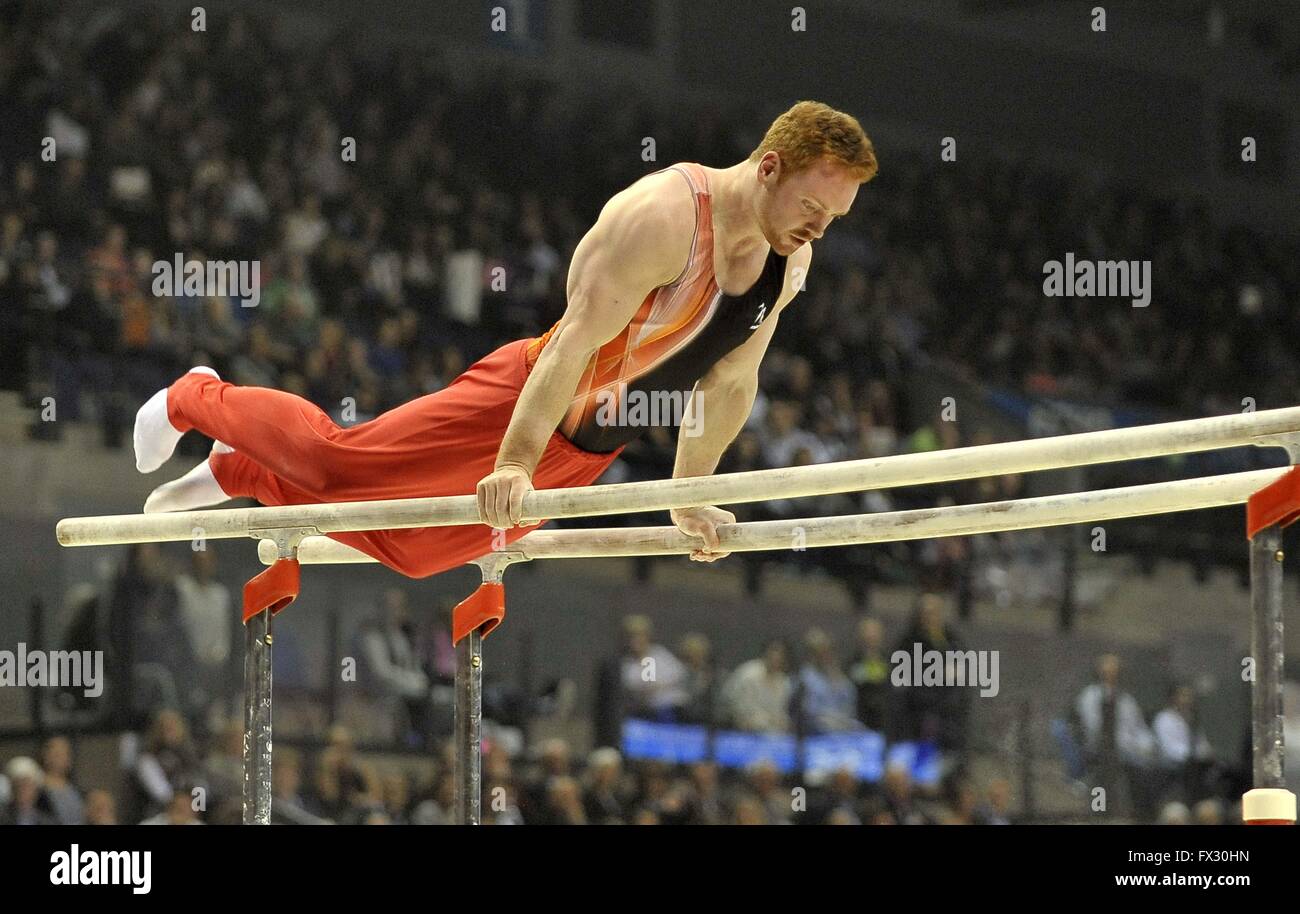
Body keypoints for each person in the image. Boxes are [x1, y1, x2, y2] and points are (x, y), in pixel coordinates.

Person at [131, 102, 877, 577]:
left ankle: (239, 474)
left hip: (590, 449)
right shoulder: (666, 217)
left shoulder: (791, 263)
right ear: (769, 166)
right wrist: (514, 462)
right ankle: (196, 396)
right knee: (334, 464)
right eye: (813, 203)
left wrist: (689, 498)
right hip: (525, 400)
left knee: (415, 552)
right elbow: (573, 346)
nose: (819, 226)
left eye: (834, 216)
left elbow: (730, 383)